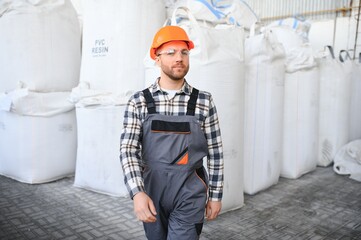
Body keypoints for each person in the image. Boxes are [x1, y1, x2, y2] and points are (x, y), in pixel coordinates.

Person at [120, 25, 224, 240]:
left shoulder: (203, 101)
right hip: (152, 191)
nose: (179, 58)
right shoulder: (138, 102)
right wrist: (137, 193)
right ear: (156, 59)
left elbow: (215, 152)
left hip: (189, 191)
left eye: (184, 52)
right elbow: (128, 149)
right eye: (171, 52)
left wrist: (215, 195)